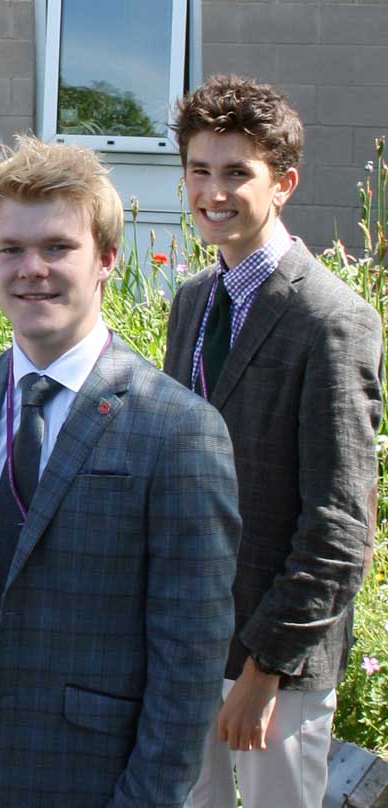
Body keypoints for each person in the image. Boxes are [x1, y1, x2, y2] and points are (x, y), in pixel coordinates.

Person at [0, 136, 241, 808]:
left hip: (96, 781)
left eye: (58, 247)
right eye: (12, 249)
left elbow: (190, 656)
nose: (33, 269)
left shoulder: (177, 429)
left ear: (107, 259)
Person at [163, 75, 383, 808]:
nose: (212, 190)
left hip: (276, 656)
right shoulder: (194, 301)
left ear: (283, 183)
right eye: (199, 169)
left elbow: (341, 525)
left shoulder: (331, 319)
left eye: (237, 172)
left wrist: (264, 669)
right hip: (187, 634)